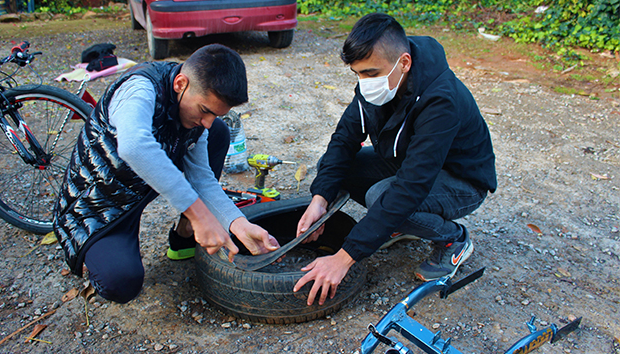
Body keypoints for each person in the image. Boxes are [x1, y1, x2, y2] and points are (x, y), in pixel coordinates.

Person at [293, 13, 497, 306]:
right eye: (358, 74)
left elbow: (411, 186)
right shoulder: (378, 83)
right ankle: (398, 223)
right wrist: (320, 199)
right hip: (411, 162)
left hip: (461, 180)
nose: (364, 83)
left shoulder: (441, 100)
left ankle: (454, 240)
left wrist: (344, 257)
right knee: (334, 168)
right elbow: (344, 140)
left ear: (404, 62)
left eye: (371, 74)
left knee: (382, 197)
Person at [54, 44, 279, 304]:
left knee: (218, 132)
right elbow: (133, 146)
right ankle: (97, 254)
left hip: (142, 185)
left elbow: (202, 179)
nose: (207, 122)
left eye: (215, 113)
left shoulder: (194, 111)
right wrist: (201, 215)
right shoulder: (138, 89)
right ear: (180, 83)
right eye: (205, 110)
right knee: (121, 283)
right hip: (101, 202)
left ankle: (184, 234)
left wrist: (239, 224)